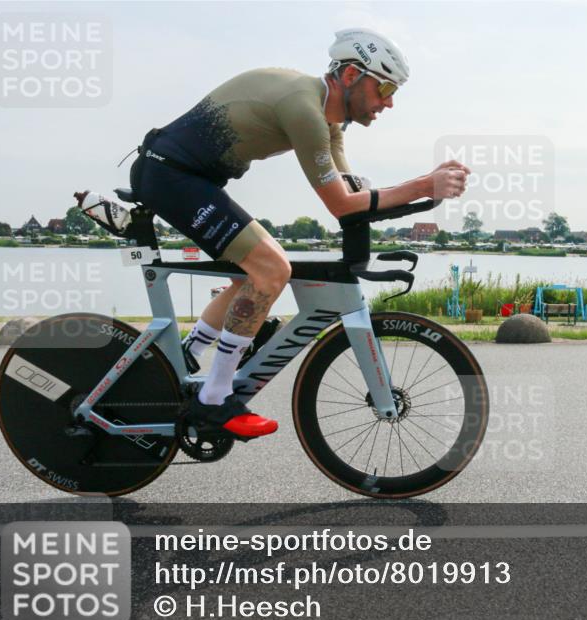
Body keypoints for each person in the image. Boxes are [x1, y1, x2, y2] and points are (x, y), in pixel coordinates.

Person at [128, 28, 469, 440]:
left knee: (252, 273)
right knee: (271, 269)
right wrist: (421, 185)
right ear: (350, 76)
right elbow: (341, 204)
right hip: (170, 175)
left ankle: (189, 354)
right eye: (384, 88)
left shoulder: (328, 121)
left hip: (187, 178)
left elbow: (352, 193)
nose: (389, 102)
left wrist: (420, 190)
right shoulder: (304, 110)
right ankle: (213, 400)